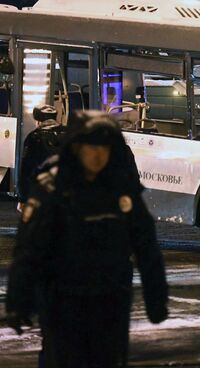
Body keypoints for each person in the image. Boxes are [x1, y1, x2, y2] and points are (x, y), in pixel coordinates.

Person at [5, 112, 168, 368]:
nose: (98, 155)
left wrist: (156, 298)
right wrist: (18, 301)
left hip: (110, 299)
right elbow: (29, 249)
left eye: (104, 147)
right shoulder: (52, 186)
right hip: (62, 301)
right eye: (91, 147)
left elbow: (146, 246)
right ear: (77, 147)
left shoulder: (121, 188)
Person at [18, 104, 65, 206]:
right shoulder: (68, 134)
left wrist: (23, 197)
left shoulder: (34, 137)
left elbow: (26, 169)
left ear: (38, 120)